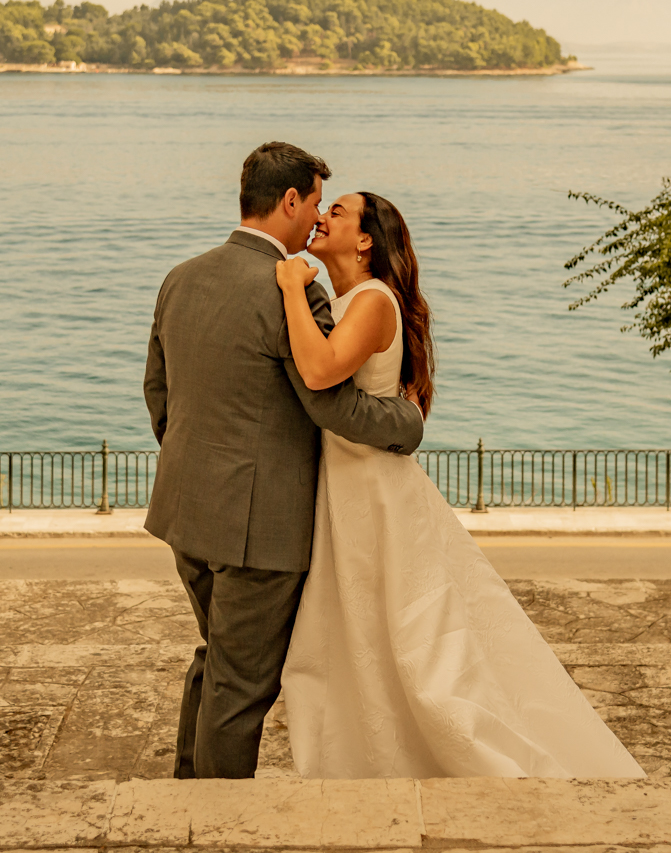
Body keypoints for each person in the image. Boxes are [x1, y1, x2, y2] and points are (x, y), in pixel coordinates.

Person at [274, 191, 645, 779]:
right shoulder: (348, 299)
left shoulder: (372, 300)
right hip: (346, 486)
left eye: (336, 212)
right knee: (358, 633)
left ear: (366, 240)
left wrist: (292, 287)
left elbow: (319, 371)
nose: (321, 218)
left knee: (410, 640)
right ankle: (372, 754)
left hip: (374, 492)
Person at [143, 142, 424, 780]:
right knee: (241, 685)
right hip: (259, 528)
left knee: (218, 658)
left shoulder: (181, 277)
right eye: (317, 203)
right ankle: (212, 820)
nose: (319, 217)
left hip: (185, 509)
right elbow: (331, 404)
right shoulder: (293, 291)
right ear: (291, 200)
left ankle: (186, 790)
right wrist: (407, 422)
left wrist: (197, 470)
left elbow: (159, 394)